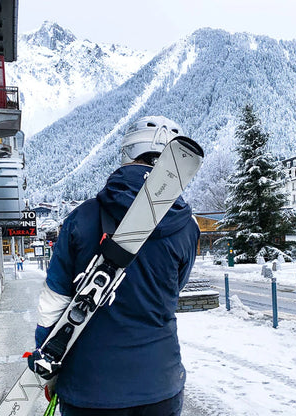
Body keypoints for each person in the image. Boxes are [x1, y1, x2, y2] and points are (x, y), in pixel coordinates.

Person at [33, 116, 200, 416]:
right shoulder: (187, 227)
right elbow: (175, 289)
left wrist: (46, 364)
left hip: (88, 388)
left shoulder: (80, 219)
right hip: (159, 384)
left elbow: (51, 307)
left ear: (127, 153)